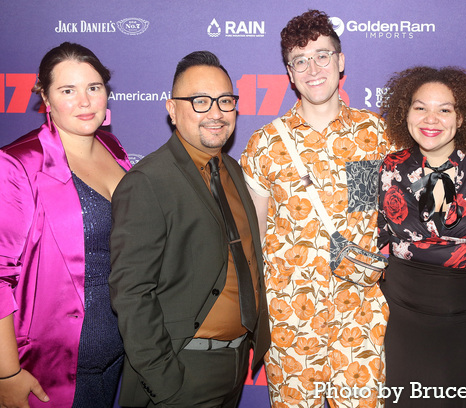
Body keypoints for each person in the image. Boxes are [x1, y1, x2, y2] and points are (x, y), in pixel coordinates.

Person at [241, 10, 390, 408]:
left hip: (359, 313)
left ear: (341, 62)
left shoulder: (376, 134)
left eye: (322, 56)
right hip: (291, 316)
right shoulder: (264, 145)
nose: (313, 69)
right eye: (300, 60)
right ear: (289, 73)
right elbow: (253, 237)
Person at [109, 50, 270, 408]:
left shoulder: (234, 171)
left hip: (233, 367)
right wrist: (165, 380)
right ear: (172, 109)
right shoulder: (148, 181)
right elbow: (132, 292)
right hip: (181, 371)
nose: (216, 112)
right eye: (200, 101)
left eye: (225, 100)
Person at [0, 42, 131, 408]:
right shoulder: (18, 164)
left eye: (94, 87)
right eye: (68, 90)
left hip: (114, 360)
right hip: (49, 371)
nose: (85, 101)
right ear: (45, 97)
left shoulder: (113, 148)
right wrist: (6, 373)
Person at [377, 66, 466, 407]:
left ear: (461, 117)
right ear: (405, 113)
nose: (430, 118)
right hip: (405, 311)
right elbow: (364, 233)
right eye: (420, 107)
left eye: (444, 109)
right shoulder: (387, 166)